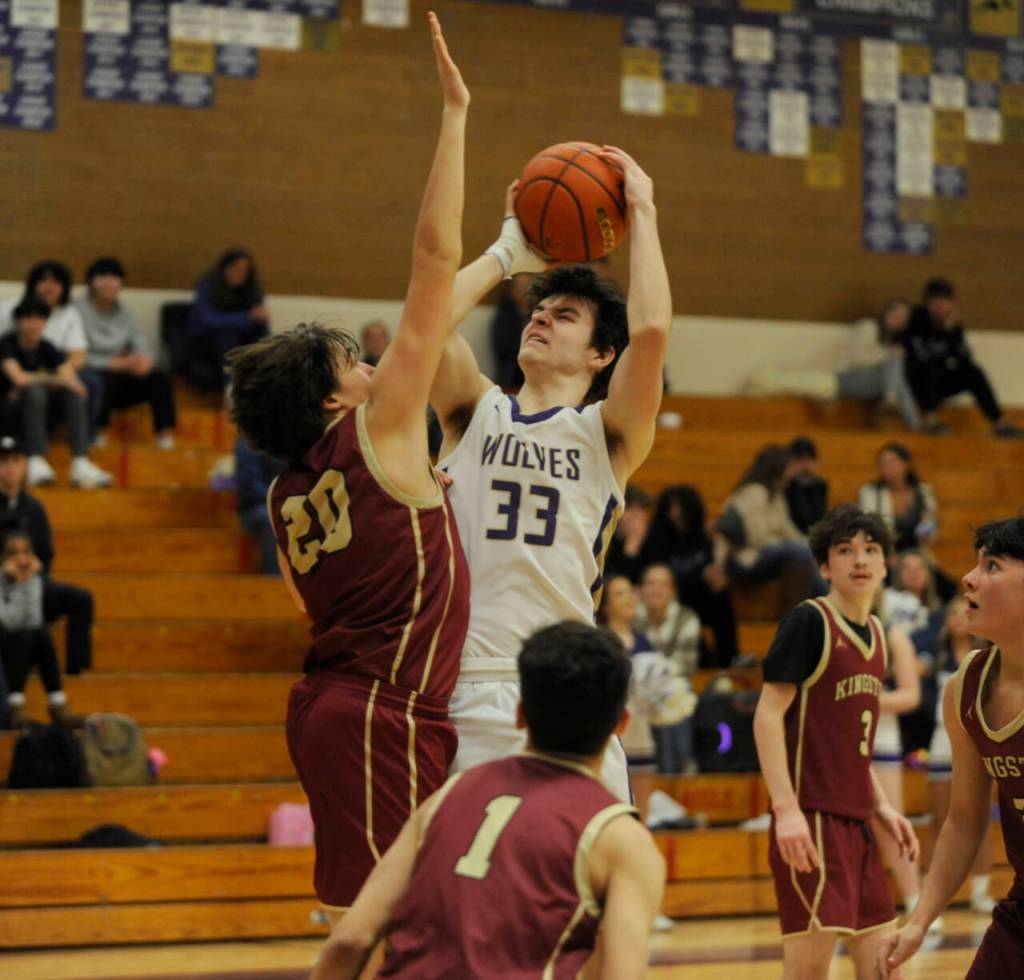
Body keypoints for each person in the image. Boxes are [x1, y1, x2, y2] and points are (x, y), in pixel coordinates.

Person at [226, 13, 470, 916]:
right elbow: (433, 265)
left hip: (349, 708)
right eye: (356, 368)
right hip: (380, 714)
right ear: (336, 401)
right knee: (396, 934)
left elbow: (316, 593)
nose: (377, 371)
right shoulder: (377, 433)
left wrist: (416, 510)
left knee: (370, 924)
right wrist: (454, 115)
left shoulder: (294, 490)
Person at [432, 145, 671, 802]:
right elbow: (422, 322)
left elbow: (651, 333)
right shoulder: (472, 410)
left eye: (565, 314)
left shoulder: (608, 436)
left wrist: (643, 209)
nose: (540, 316)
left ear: (601, 355)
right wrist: (507, 251)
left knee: (588, 892)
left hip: (572, 684)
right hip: (469, 680)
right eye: (540, 309)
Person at [309, 621, 665, 980]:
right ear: (622, 723)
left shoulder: (449, 795)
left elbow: (350, 940)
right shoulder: (622, 838)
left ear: (520, 713)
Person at [753, 503, 918, 980]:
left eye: (870, 550)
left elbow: (851, 740)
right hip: (812, 820)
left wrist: (882, 807)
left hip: (858, 823)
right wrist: (785, 810)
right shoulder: (809, 622)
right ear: (825, 566)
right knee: (809, 972)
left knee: (886, 968)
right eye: (845, 551)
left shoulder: (879, 637)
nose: (860, 560)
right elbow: (767, 717)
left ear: (886, 564)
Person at [879, 518, 1024, 977]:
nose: (969, 577)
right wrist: (920, 920)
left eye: (993, 565)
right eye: (977, 562)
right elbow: (964, 820)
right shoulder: (966, 688)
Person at [925, 595, 996, 922]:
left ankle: (981, 891)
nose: (957, 618)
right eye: (951, 613)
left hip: (976, 741)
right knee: (941, 821)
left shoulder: (988, 657)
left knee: (979, 819)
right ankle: (933, 902)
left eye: (961, 612)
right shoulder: (934, 657)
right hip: (941, 740)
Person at [0, 434, 96, 675]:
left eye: (15, 460)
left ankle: (77, 671)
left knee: (81, 599)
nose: (10, 466)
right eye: (4, 461)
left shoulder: (34, 508)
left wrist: (34, 570)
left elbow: (46, 555)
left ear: (24, 464)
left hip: (32, 584)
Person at [747, 298, 921, 430]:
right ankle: (901, 408)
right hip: (848, 377)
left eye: (903, 318)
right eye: (896, 315)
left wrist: (889, 355)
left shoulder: (891, 340)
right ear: (887, 312)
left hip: (868, 384)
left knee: (897, 374)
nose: (899, 320)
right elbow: (859, 359)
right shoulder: (869, 327)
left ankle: (904, 412)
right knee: (895, 362)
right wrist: (887, 354)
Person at [0, 297, 113, 488]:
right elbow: (18, 379)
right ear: (19, 321)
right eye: (28, 318)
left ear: (45, 322)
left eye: (39, 319)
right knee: (34, 390)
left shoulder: (47, 347)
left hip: (39, 411)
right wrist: (53, 380)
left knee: (74, 393)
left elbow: (71, 380)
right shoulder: (6, 344)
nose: (33, 324)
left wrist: (63, 381)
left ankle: (80, 461)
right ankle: (35, 458)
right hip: (8, 411)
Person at [74, 256, 177, 450]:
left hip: (121, 374)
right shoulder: (76, 309)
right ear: (90, 281)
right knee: (98, 379)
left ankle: (164, 434)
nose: (108, 282)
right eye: (102, 276)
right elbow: (74, 354)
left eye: (114, 277)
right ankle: (98, 433)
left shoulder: (125, 312)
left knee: (159, 377)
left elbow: (140, 343)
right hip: (88, 373)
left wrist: (142, 360)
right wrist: (115, 363)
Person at [900, 278, 1024, 438]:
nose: (942, 308)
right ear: (928, 304)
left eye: (946, 303)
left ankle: (999, 423)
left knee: (973, 372)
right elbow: (921, 357)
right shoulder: (915, 320)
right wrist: (943, 332)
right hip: (916, 383)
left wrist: (951, 332)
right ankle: (931, 420)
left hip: (940, 383)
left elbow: (965, 359)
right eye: (936, 303)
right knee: (927, 368)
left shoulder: (953, 326)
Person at [713, 444, 823, 617]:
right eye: (788, 467)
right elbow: (756, 537)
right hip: (744, 558)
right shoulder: (755, 492)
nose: (791, 472)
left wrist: (812, 544)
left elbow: (788, 529)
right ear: (778, 468)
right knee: (797, 551)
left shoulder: (775, 495)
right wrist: (790, 543)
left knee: (804, 553)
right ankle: (822, 603)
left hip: (766, 553)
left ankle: (804, 614)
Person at [638, 484, 738, 667]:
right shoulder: (656, 537)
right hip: (672, 596)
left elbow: (710, 566)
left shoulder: (702, 537)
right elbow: (657, 573)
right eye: (672, 506)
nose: (676, 512)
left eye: (681, 505)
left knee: (722, 597)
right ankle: (706, 660)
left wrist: (715, 577)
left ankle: (730, 659)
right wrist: (701, 576)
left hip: (699, 595)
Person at [869, 621, 926, 920]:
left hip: (881, 737)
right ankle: (850, 909)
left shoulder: (893, 633)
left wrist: (867, 699)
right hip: (840, 736)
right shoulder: (828, 626)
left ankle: (914, 899)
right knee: (847, 828)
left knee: (892, 823)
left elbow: (911, 695)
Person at [0, 528, 82, 729]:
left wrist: (27, 582)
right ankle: (15, 705)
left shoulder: (33, 579)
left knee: (41, 634)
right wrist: (20, 584)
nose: (22, 559)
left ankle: (57, 703)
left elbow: (34, 619)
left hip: (24, 643)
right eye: (14, 553)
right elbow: (9, 621)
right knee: (26, 636)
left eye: (26, 552)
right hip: (4, 644)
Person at [186, 247, 270, 391]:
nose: (239, 275)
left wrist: (261, 319)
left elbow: (259, 326)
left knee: (266, 342)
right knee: (226, 336)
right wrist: (246, 317)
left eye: (244, 272)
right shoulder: (208, 284)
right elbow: (209, 320)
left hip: (241, 339)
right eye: (235, 270)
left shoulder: (252, 289)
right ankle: (230, 389)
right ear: (224, 268)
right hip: (206, 341)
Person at [233, 434, 284, 575]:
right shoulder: (249, 440)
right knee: (270, 518)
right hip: (256, 507)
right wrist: (283, 499)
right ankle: (274, 582)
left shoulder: (295, 438)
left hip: (288, 503)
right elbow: (250, 486)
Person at [488, 272, 531, 389]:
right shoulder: (503, 317)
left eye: (528, 286)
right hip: (512, 376)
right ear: (511, 291)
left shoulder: (537, 313)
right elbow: (505, 350)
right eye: (521, 287)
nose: (526, 291)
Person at [784, 436, 828, 536]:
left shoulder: (820, 486)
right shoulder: (785, 487)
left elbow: (819, 518)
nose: (805, 465)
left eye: (809, 459)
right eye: (800, 459)